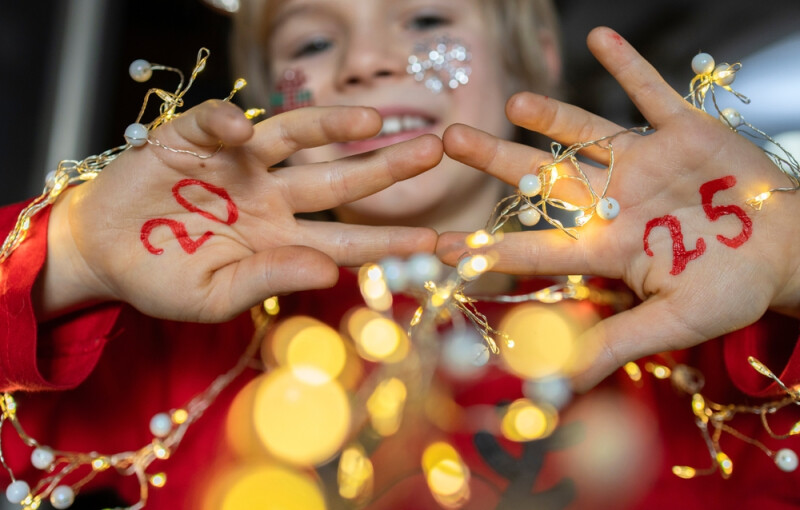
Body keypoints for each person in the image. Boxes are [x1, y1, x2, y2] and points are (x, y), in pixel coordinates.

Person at [1, 0, 798, 508]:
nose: (369, 60)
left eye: (426, 22)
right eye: (314, 36)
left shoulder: (702, 328)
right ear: (265, 89)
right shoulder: (172, 337)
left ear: (532, 60)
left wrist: (790, 258)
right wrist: (68, 255)